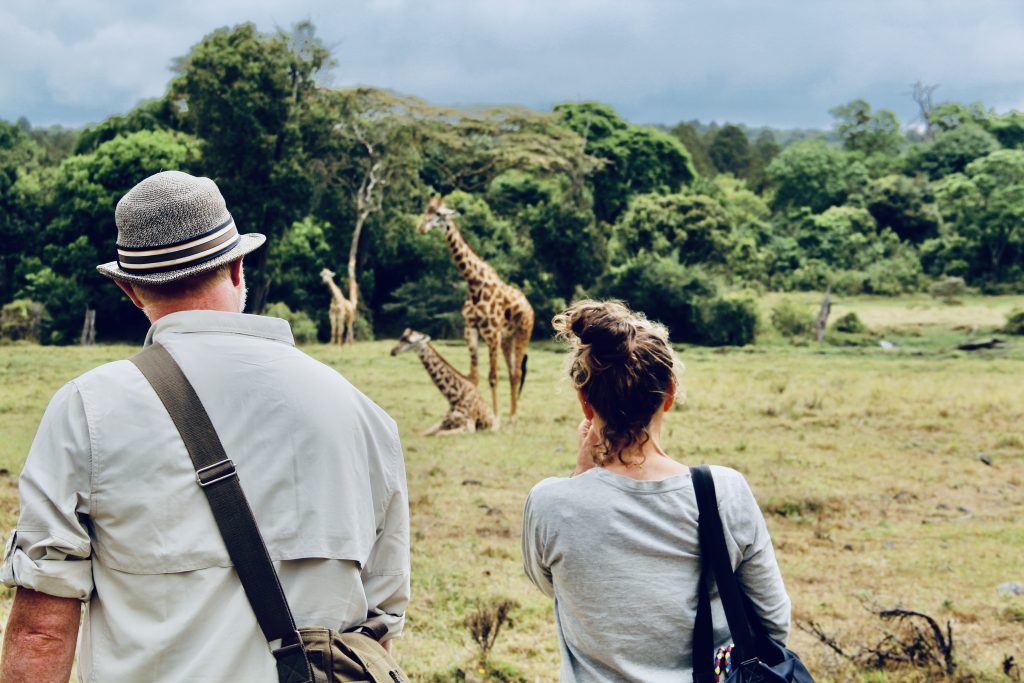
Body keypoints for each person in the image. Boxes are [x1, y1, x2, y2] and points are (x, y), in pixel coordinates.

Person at [0, 171, 410, 682]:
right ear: (238, 265)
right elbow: (379, 631)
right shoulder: (362, 413)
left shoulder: (86, 408)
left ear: (130, 291)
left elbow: (43, 632)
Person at [521, 300, 790, 682]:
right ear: (670, 392)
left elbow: (559, 587)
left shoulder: (549, 503)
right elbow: (774, 624)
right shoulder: (724, 491)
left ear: (585, 401)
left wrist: (579, 476)